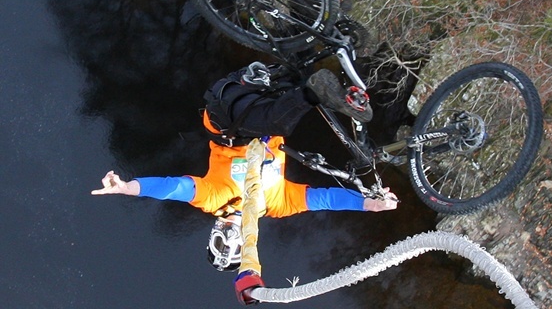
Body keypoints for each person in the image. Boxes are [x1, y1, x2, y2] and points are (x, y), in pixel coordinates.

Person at [92, 62, 397, 305]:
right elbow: (325, 199)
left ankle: (311, 91)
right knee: (299, 66)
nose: (230, 234)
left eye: (220, 240)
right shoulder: (275, 204)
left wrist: (127, 187)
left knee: (283, 116)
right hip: (270, 108)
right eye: (232, 245)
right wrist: (368, 204)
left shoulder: (215, 199)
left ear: (215, 230)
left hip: (228, 116)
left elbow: (174, 188)